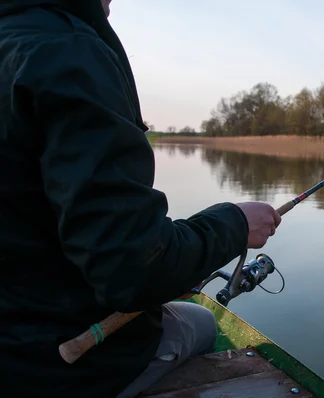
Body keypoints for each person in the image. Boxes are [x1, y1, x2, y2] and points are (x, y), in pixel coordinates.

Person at [0, 0, 282, 396]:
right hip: (47, 367)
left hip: (20, 323)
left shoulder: (13, 35)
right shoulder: (68, 51)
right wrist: (235, 223)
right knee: (202, 324)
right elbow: (131, 270)